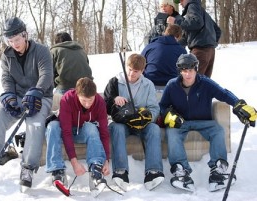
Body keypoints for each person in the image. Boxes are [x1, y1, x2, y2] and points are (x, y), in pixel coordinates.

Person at [0, 17, 54, 190]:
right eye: (10, 40)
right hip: (18, 96)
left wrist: (37, 91)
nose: (14, 44)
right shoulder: (7, 55)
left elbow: (46, 74)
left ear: (25, 35)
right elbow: (6, 77)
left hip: (40, 96)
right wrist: (9, 94)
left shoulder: (41, 51)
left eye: (17, 39)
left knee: (35, 124)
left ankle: (28, 168)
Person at [159, 53, 257, 192]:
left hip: (204, 121)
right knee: (172, 133)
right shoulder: (172, 85)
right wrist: (169, 115)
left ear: (196, 69)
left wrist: (239, 104)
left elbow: (224, 94)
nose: (188, 74)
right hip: (181, 123)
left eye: (191, 70)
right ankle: (181, 171)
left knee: (217, 130)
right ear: (180, 71)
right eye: (184, 71)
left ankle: (218, 171)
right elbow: (162, 106)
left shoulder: (205, 83)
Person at [104, 53, 164, 192]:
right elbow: (105, 106)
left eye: (135, 71)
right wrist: (114, 99)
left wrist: (146, 118)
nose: (131, 74)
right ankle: (120, 171)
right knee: (116, 128)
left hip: (141, 124)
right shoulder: (115, 82)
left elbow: (154, 108)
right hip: (122, 123)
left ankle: (153, 172)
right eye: (129, 69)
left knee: (154, 129)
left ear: (142, 71)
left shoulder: (148, 84)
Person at [45, 77, 110, 197]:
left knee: (91, 127)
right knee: (52, 126)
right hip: (66, 130)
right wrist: (74, 163)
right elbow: (66, 132)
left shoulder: (100, 102)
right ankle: (57, 171)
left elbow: (104, 132)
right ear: (77, 94)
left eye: (90, 100)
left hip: (83, 132)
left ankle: (96, 171)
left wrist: (106, 160)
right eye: (84, 100)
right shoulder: (67, 99)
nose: (88, 104)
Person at [167, 0, 222, 78]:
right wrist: (210, 43)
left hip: (200, 51)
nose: (180, 3)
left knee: (192, 83)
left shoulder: (192, 6)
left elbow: (197, 23)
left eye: (181, 0)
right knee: (204, 83)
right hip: (210, 52)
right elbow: (218, 30)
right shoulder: (202, 11)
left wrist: (176, 21)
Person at [141, 24, 187, 100]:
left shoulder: (150, 46)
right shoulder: (181, 50)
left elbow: (140, 64)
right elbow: (185, 70)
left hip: (149, 82)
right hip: (171, 84)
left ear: (165, 32)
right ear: (179, 36)